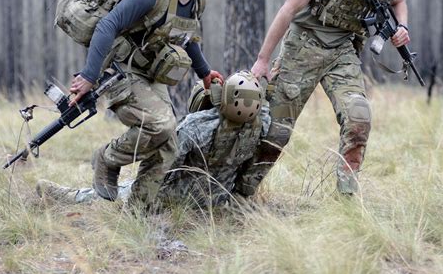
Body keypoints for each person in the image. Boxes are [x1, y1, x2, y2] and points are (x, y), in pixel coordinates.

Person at [248, 0, 411, 195]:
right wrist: (263, 60)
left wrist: (403, 28)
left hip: (342, 51)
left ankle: (347, 199)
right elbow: (288, 10)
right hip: (303, 45)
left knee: (359, 118)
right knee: (276, 132)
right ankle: (241, 194)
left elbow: (399, 0)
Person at [67, 0, 226, 205]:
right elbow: (107, 25)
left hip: (150, 74)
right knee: (161, 125)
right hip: (120, 71)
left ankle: (139, 212)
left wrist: (204, 72)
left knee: (168, 146)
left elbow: (185, 36)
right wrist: (89, 76)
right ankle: (107, 158)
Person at [37, 71, 271, 209]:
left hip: (175, 196)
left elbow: (162, 165)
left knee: (119, 193)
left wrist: (140, 201)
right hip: (219, 200)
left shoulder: (197, 126)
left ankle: (70, 196)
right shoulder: (261, 124)